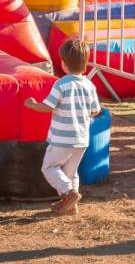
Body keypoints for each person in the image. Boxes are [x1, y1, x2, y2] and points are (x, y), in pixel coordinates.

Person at [24, 38, 102, 214]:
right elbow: (95, 111)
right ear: (85, 66)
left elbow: (48, 106)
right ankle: (71, 205)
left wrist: (33, 104)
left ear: (64, 64)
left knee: (49, 167)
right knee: (71, 172)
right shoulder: (89, 85)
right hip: (81, 139)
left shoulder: (61, 84)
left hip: (62, 139)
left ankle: (69, 193)